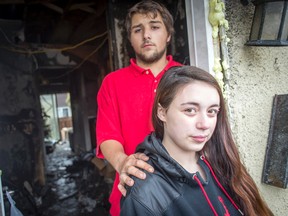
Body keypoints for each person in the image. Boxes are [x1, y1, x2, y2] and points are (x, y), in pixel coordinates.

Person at [120, 66, 273, 216]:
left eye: (212, 111)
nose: (204, 124)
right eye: (190, 110)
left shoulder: (220, 162)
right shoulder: (147, 193)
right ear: (162, 112)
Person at [96, 1, 181, 215]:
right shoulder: (112, 83)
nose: (146, 35)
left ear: (168, 34)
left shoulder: (186, 77)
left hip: (184, 190)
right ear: (130, 39)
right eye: (138, 29)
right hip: (132, 194)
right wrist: (122, 161)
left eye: (154, 26)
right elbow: (107, 136)